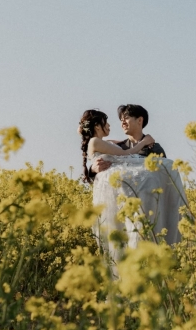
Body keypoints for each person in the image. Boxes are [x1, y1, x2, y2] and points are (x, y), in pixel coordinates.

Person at [78, 106, 187, 263]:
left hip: (151, 209)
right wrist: (92, 169)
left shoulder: (154, 148)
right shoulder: (120, 146)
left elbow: (165, 183)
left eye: (126, 118)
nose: (122, 122)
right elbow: (102, 158)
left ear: (140, 120)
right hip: (122, 208)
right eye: (121, 118)